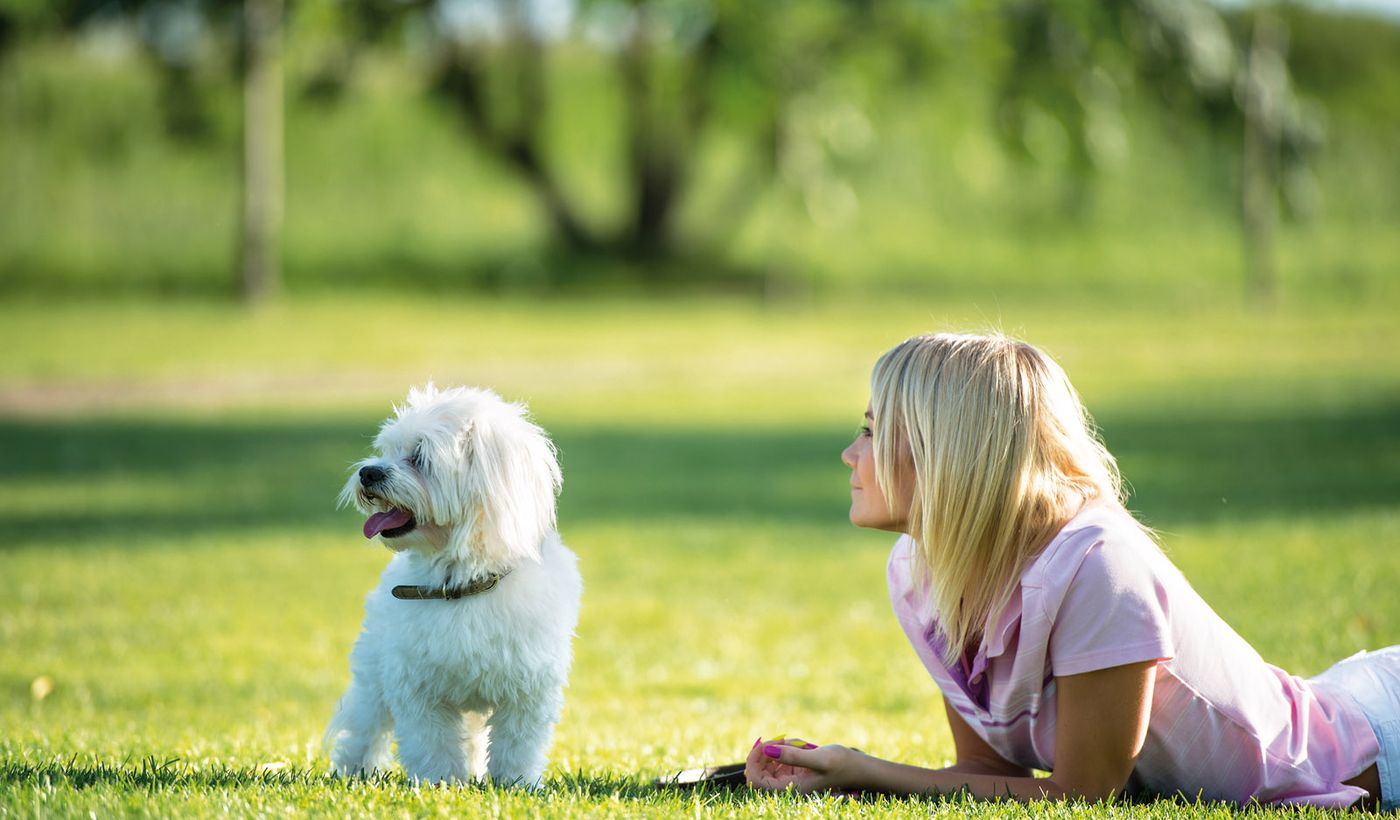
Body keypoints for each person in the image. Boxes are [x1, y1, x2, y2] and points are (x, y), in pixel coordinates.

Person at [744, 332, 1397, 810]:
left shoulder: (1098, 568)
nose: (849, 454)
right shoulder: (918, 573)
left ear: (948, 454)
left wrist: (865, 770)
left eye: (871, 431)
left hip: (1376, 741)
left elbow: (1082, 796)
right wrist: (842, 774)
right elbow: (988, 774)